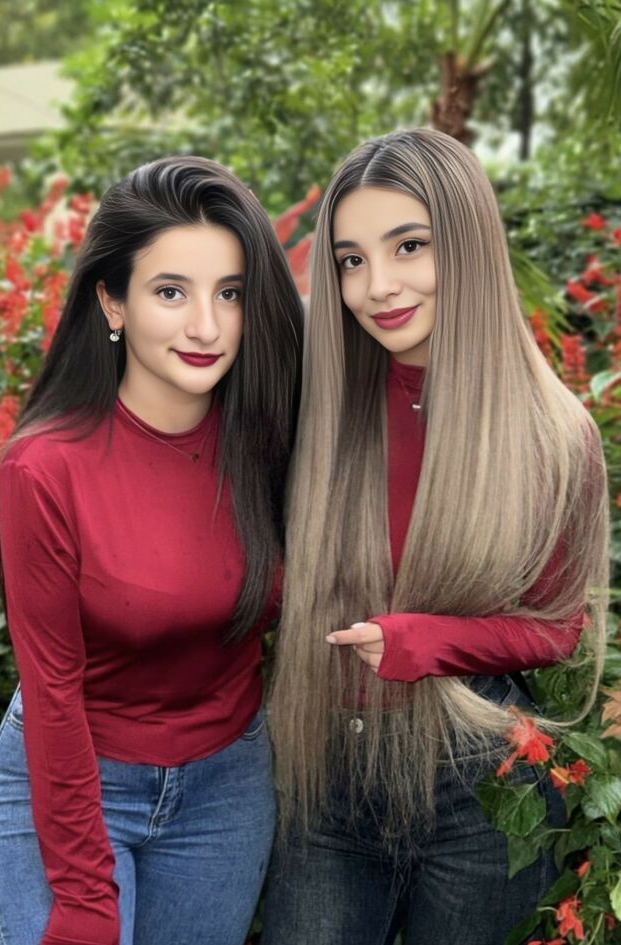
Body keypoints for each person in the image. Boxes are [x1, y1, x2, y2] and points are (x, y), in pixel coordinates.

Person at [261, 128, 608, 945]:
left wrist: (429, 640)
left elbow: (557, 627)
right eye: (350, 259)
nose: (377, 285)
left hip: (477, 778)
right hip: (324, 770)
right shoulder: (316, 408)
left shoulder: (554, 435)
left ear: (469, 242)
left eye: (408, 246)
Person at [0, 156, 303, 945]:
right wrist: (83, 895)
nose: (206, 326)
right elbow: (53, 694)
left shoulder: (269, 439)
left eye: (229, 293)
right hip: (73, 781)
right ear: (112, 301)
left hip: (225, 792)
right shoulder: (44, 468)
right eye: (171, 292)